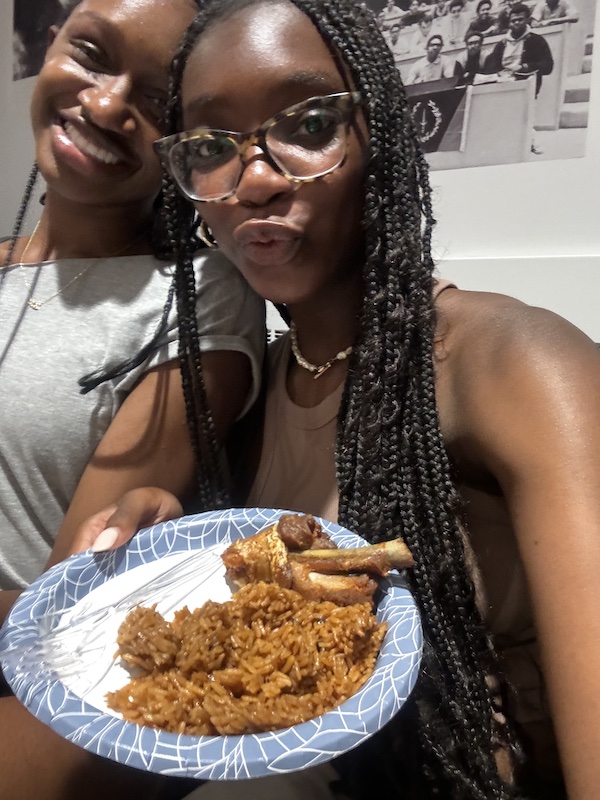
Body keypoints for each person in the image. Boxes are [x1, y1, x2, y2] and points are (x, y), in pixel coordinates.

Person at [67, 0, 600, 798]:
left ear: (377, 136)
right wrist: (165, 527)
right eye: (212, 146)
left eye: (308, 124)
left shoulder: (516, 361)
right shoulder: (265, 393)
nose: (253, 179)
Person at [0, 0, 265, 626]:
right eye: (91, 56)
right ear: (51, 45)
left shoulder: (198, 296)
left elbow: (65, 606)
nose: (105, 106)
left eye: (155, 102)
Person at [484, 2, 554, 95]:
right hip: (502, 88)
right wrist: (500, 73)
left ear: (526, 20)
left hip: (526, 87)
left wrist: (524, 67)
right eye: (513, 20)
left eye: (520, 19)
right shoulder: (501, 44)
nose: (516, 23)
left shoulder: (537, 40)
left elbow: (548, 65)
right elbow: (491, 66)